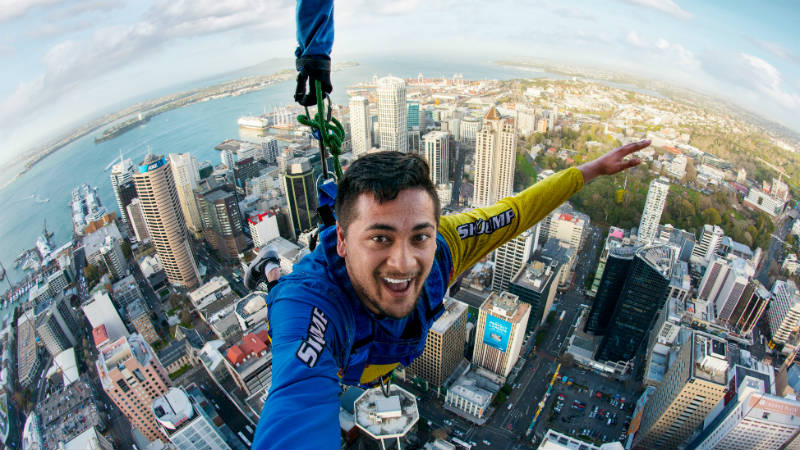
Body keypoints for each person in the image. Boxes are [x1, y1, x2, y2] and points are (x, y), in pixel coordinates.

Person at [250, 141, 650, 449]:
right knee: (278, 294)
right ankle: (270, 268)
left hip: (378, 360)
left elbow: (516, 212)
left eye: (419, 235)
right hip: (339, 344)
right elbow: (295, 405)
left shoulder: (446, 246)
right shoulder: (313, 308)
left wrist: (592, 170)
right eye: (380, 237)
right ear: (341, 238)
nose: (404, 263)